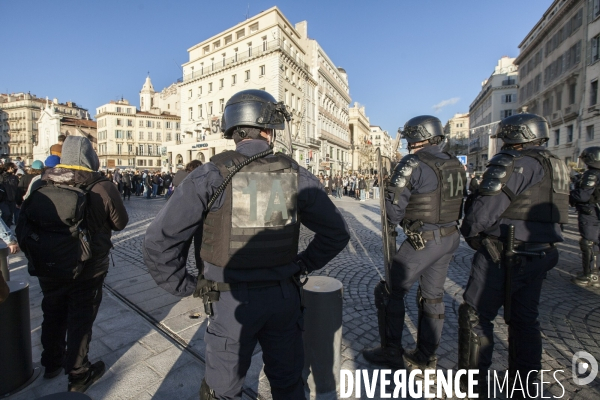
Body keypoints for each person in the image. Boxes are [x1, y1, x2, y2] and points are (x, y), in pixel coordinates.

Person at [143, 89, 349, 400]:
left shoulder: (209, 174)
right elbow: (337, 233)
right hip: (283, 297)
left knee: (222, 391)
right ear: (269, 130)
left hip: (230, 301)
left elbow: (159, 242)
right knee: (289, 383)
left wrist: (185, 286)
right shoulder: (296, 173)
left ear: (232, 130)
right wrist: (303, 264)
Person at [458, 114, 568, 396]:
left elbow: (482, 212)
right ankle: (524, 383)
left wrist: (472, 234)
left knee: (475, 315)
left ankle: (473, 384)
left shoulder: (513, 162)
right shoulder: (557, 164)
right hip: (542, 252)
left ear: (514, 137)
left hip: (504, 252)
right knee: (525, 319)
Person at [17, 136, 128, 393]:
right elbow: (121, 222)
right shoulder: (102, 186)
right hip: (89, 265)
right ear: (91, 156)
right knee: (81, 316)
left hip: (49, 263)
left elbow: (24, 224)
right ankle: (78, 373)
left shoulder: (41, 182)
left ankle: (52, 362)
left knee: (52, 311)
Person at [363, 115, 465, 371]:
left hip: (423, 241)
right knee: (433, 297)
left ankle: (391, 352)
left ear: (415, 136)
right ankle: (426, 354)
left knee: (389, 292)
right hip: (450, 236)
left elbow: (392, 211)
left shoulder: (413, 163)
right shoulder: (453, 162)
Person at [570, 146, 600, 287]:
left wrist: (570, 195)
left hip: (591, 213)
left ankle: (590, 275)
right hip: (596, 213)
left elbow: (583, 195)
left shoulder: (592, 174)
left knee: (588, 242)